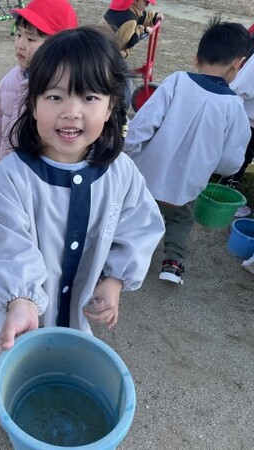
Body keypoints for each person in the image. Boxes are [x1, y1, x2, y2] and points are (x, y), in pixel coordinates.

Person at [0, 27, 165, 363]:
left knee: (69, 357)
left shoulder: (121, 173)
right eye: (55, 97)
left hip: (81, 303)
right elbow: (7, 244)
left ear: (110, 106)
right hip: (25, 313)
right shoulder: (12, 177)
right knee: (21, 358)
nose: (72, 111)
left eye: (89, 97)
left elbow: (139, 226)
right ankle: (6, 355)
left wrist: (114, 279)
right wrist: (22, 299)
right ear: (33, 104)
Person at [124, 17, 251, 285]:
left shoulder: (177, 81)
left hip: (147, 174)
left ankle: (124, 255)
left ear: (196, 58)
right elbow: (231, 161)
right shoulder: (234, 107)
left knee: (136, 215)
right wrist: (213, 164)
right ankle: (172, 264)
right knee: (181, 221)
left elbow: (143, 124)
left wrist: (128, 152)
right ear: (238, 65)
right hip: (186, 185)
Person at [0, 0, 77, 169]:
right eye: (18, 35)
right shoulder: (9, 81)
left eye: (31, 39)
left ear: (60, 45)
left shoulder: (68, 88)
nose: (20, 45)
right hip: (10, 169)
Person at [219, 25, 254, 218]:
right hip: (245, 117)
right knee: (240, 156)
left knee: (244, 155)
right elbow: (240, 88)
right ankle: (223, 197)